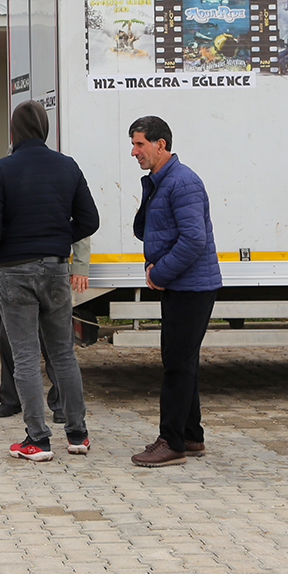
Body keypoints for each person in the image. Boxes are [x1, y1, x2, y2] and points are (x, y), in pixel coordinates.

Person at [0, 101, 100, 462]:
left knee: (27, 355)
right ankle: (77, 434)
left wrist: (5, 248)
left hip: (16, 271)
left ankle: (38, 439)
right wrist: (60, 237)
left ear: (13, 133)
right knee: (63, 353)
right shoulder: (67, 167)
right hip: (57, 269)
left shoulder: (0, 171)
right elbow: (89, 220)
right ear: (45, 131)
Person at [127, 115, 223, 467]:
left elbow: (194, 239)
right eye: (133, 144)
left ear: (160, 144)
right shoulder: (162, 180)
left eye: (139, 144)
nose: (134, 152)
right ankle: (191, 436)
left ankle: (171, 442)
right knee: (184, 361)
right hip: (183, 284)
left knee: (176, 365)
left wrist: (160, 273)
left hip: (190, 286)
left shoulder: (182, 182)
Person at [0, 237, 89, 419]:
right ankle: (11, 398)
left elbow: (83, 224)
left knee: (57, 346)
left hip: (51, 268)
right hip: (14, 270)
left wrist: (79, 266)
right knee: (11, 343)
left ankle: (61, 405)